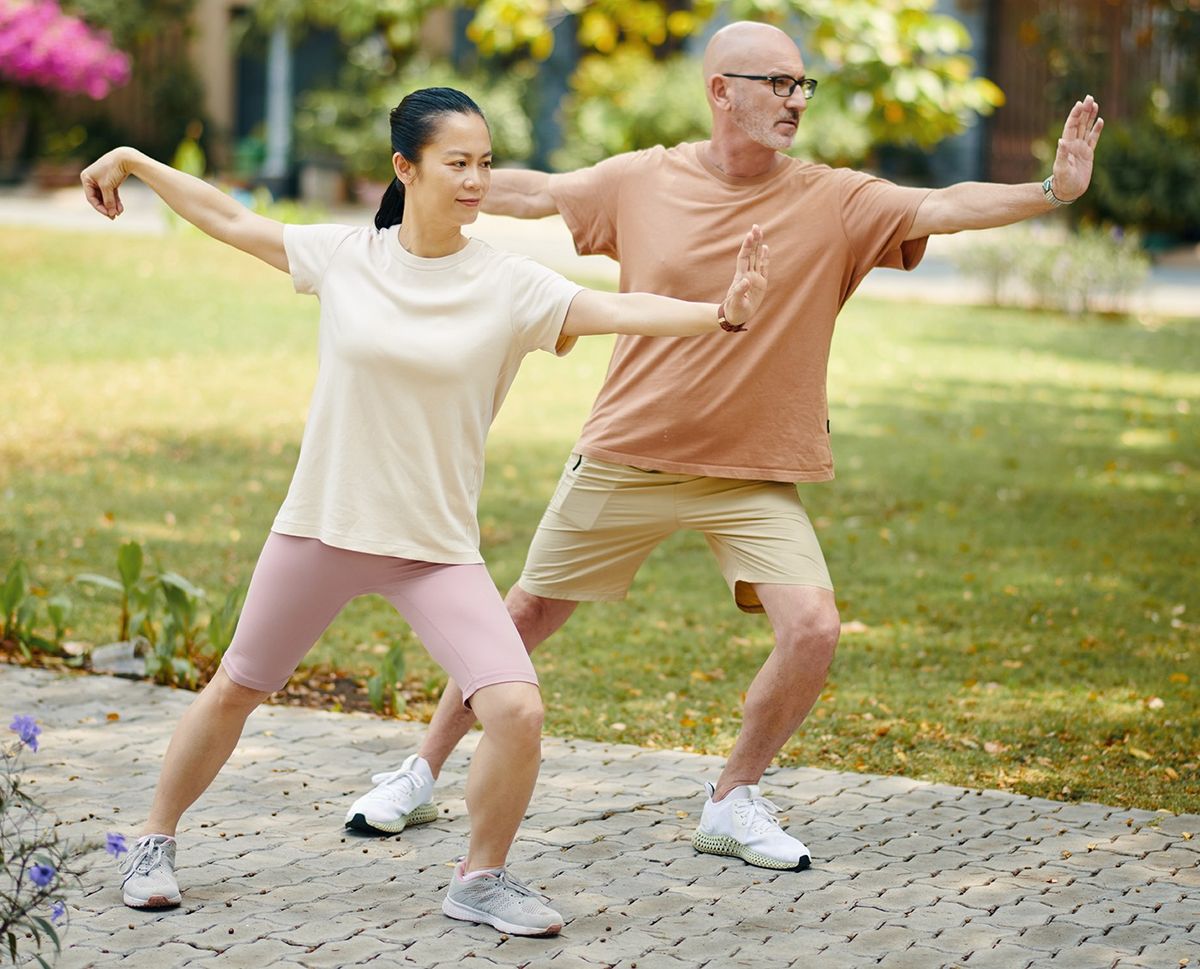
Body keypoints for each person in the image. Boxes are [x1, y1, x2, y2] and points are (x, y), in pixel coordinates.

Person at [345, 22, 1105, 874]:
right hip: (629, 451)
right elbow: (541, 193)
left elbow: (943, 207)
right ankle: (419, 770)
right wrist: (433, 179)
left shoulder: (835, 198)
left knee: (813, 627)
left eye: (802, 85)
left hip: (750, 473)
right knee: (520, 618)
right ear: (720, 91)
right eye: (777, 83)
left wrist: (1051, 187)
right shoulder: (644, 178)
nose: (795, 101)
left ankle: (732, 797)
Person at [79, 86, 768, 936]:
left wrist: (721, 316)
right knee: (236, 688)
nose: (476, 181)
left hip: (433, 547)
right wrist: (139, 162)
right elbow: (228, 219)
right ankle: (153, 840)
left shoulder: (510, 284)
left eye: (485, 163)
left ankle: (480, 878)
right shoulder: (346, 258)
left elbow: (621, 309)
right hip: (322, 528)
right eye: (458, 163)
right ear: (405, 169)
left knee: (517, 708)